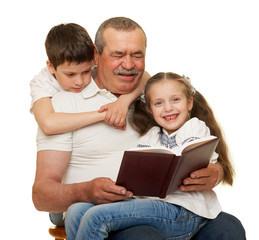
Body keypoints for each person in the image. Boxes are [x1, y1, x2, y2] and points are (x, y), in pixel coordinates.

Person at [32, 17, 246, 239]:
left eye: (137, 55)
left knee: (229, 228)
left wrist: (215, 172)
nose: (128, 64)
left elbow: (203, 147)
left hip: (166, 208)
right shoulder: (64, 104)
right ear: (96, 54)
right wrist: (86, 191)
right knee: (143, 236)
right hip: (106, 217)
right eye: (118, 55)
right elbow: (41, 195)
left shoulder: (159, 98)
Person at [63, 72, 227, 239]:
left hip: (183, 211)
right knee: (75, 211)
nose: (168, 108)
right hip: (150, 206)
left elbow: (193, 156)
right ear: (149, 109)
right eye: (158, 103)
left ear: (190, 102)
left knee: (96, 217)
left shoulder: (194, 127)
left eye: (175, 100)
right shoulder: (151, 136)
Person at [30, 23, 150, 135]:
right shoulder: (42, 82)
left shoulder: (90, 59)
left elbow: (144, 76)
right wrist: (105, 115)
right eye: (70, 75)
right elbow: (48, 125)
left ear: (94, 55)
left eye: (86, 72)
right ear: (51, 67)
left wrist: (122, 102)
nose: (79, 82)